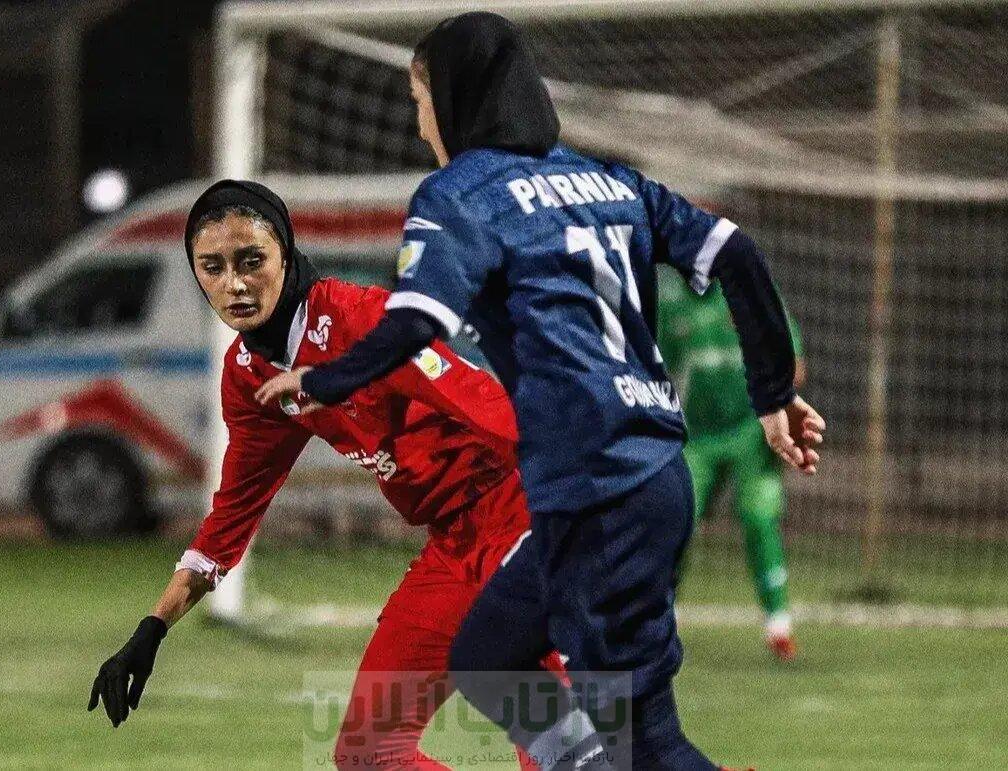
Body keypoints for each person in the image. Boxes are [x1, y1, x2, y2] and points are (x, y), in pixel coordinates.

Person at [256, 12, 825, 770]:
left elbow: (419, 319)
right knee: (490, 655)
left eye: (422, 101)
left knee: (646, 743)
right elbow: (736, 255)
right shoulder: (610, 181)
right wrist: (773, 391)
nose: (422, 124)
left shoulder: (463, 193)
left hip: (600, 489)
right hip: (641, 478)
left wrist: (324, 378)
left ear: (455, 98)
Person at [86, 180, 581, 771]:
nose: (234, 283)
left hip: (523, 518)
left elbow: (487, 405)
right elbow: (232, 515)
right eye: (212, 267)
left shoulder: (363, 320)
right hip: (453, 544)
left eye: (251, 260)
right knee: (370, 754)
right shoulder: (248, 374)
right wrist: (153, 627)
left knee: (557, 748)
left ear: (286, 255)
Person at [657, 267, 807, 661]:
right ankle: (656, 620)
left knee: (759, 517)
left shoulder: (748, 289)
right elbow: (651, 369)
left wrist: (780, 408)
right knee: (676, 522)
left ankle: (779, 624)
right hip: (696, 436)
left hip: (750, 431)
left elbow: (793, 361)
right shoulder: (668, 302)